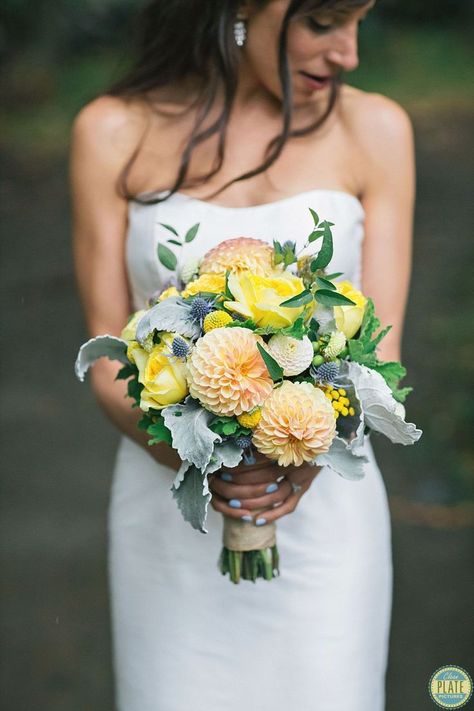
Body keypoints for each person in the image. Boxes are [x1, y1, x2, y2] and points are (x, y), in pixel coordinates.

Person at [70, 1, 415, 709]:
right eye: (323, 23)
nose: (347, 54)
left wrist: (301, 453)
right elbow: (106, 355)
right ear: (238, 9)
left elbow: (383, 361)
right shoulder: (111, 132)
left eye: (357, 24)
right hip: (167, 511)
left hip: (325, 516)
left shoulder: (376, 129)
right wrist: (204, 459)